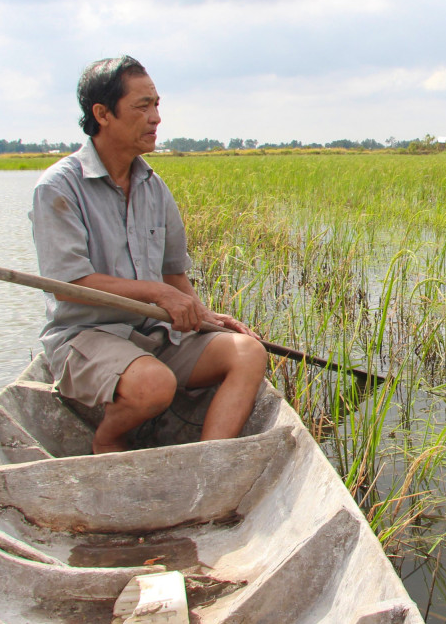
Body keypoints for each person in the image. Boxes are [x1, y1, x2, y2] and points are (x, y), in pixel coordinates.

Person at [29, 55, 268, 454]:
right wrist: (157, 294)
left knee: (247, 352)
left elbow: (174, 275)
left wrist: (201, 315)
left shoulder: (153, 187)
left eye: (157, 105)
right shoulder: (58, 188)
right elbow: (70, 286)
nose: (156, 118)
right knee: (155, 385)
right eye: (142, 106)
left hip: (154, 335)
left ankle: (207, 462)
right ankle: (108, 437)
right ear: (102, 114)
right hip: (87, 338)